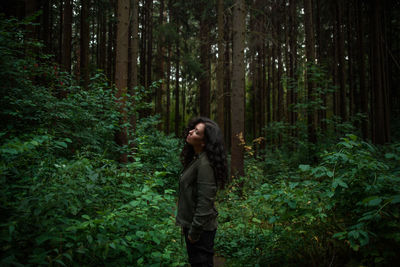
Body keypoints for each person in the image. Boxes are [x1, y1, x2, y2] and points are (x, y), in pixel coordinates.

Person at [176, 117, 228, 267]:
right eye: (193, 129)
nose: (191, 132)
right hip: (194, 226)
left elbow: (205, 202)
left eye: (196, 133)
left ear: (204, 142)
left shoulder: (205, 164)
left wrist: (194, 232)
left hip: (200, 230)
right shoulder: (197, 158)